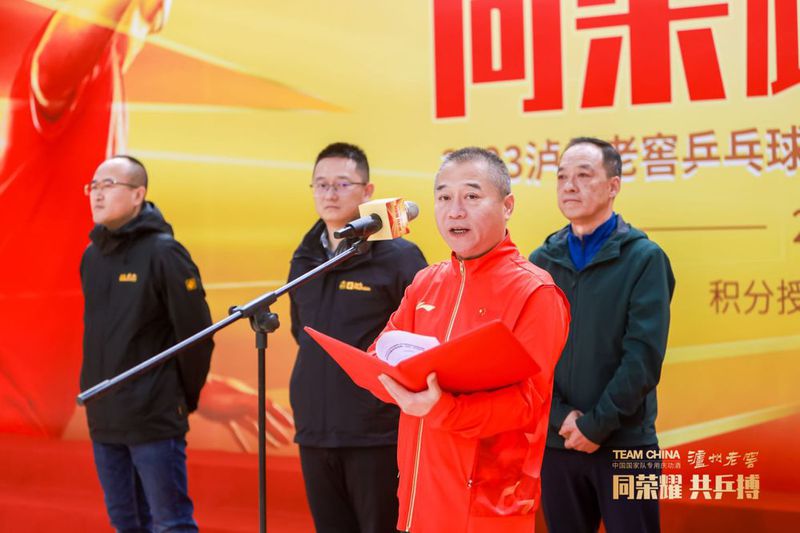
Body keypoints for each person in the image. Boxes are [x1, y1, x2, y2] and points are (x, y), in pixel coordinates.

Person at [373, 147, 570, 533]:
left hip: (487, 504)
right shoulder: (426, 282)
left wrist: (441, 408)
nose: (455, 211)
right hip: (418, 495)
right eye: (444, 197)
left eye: (472, 196)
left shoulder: (535, 293)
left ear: (507, 206)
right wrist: (377, 372)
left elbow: (527, 404)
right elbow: (382, 352)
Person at [529, 137, 675, 533]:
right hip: (559, 442)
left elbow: (643, 359)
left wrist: (595, 425)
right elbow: (530, 356)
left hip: (626, 444)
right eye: (562, 177)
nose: (569, 186)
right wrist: (561, 417)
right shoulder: (541, 262)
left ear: (613, 186)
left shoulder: (644, 259)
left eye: (583, 175)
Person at [288, 142, 427, 532]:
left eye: (342, 184)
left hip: (375, 432)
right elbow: (301, 331)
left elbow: (420, 341)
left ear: (368, 191)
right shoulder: (304, 257)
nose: (330, 194)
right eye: (321, 184)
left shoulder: (399, 256)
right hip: (315, 428)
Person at [80, 155, 213, 532]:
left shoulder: (164, 252)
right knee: (125, 522)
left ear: (138, 194)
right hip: (104, 414)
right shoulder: (92, 256)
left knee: (170, 523)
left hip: (153, 415)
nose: (97, 195)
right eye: (93, 186)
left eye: (108, 185)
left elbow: (196, 337)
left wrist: (180, 398)